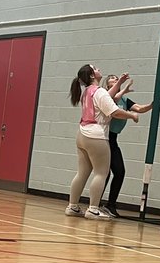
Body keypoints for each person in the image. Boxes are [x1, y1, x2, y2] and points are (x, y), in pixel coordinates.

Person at [65, 64, 137, 220]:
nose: (99, 69)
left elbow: (107, 95)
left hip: (82, 134)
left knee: (82, 173)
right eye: (95, 68)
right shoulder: (99, 92)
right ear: (92, 75)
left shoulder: (88, 92)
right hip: (96, 136)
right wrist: (132, 115)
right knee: (101, 173)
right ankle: (93, 209)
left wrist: (119, 83)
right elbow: (115, 112)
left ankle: (73, 206)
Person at [102, 72, 152, 217]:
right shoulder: (105, 95)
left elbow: (140, 108)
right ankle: (98, 204)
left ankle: (108, 205)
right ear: (107, 84)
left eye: (116, 78)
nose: (115, 79)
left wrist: (152, 104)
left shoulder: (123, 98)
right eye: (112, 78)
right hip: (104, 138)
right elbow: (115, 107)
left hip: (113, 139)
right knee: (108, 172)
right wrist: (124, 87)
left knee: (117, 172)